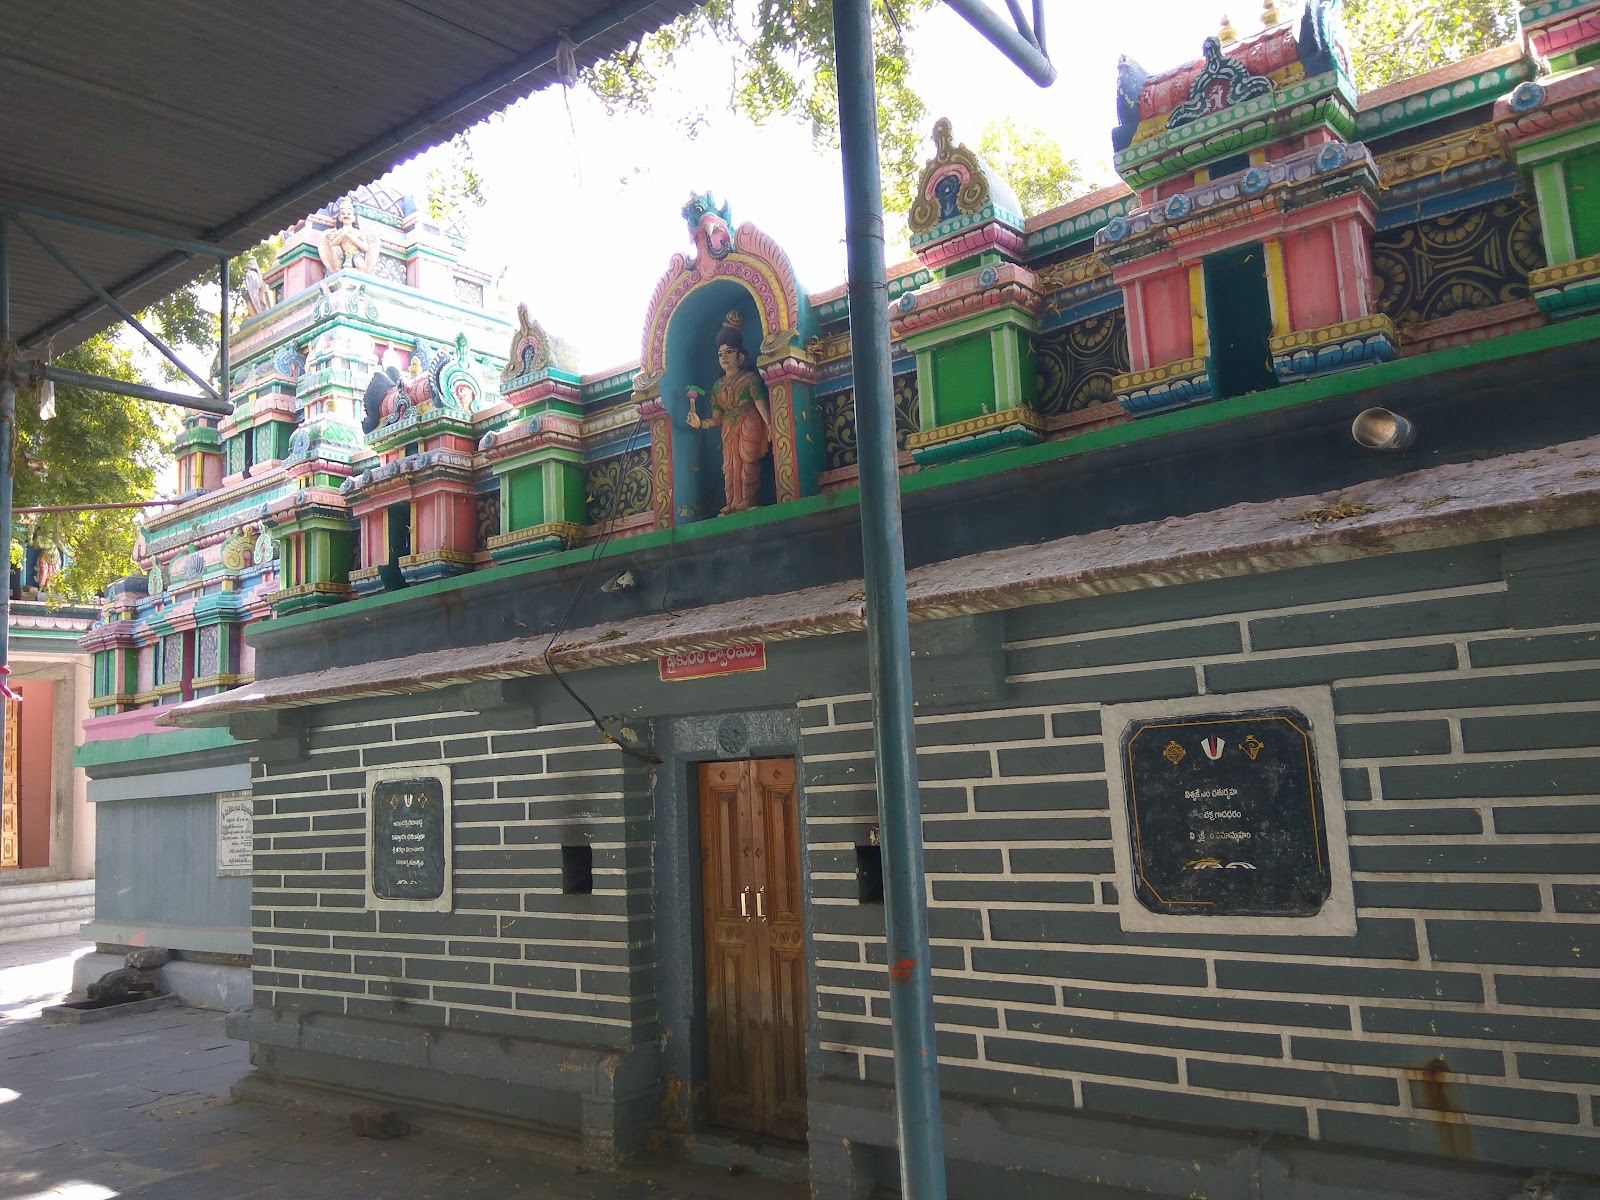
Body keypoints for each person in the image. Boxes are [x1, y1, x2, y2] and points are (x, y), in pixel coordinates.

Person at [684, 312, 771, 514]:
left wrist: (769, 425)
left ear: (740, 356)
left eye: (729, 352)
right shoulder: (717, 386)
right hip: (728, 428)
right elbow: (716, 419)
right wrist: (700, 423)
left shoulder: (750, 379)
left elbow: (760, 403)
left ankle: (747, 499)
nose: (724, 357)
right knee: (730, 466)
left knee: (748, 460)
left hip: (750, 423)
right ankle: (732, 502)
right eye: (720, 354)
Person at [319, 197, 377, 273]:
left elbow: (366, 248)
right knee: (335, 248)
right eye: (343, 214)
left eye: (349, 214)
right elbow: (332, 244)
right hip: (342, 256)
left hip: (355, 254)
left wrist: (350, 236)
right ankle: (338, 269)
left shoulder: (358, 233)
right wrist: (343, 235)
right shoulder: (338, 233)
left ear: (353, 218)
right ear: (339, 218)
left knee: (361, 266)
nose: (346, 215)